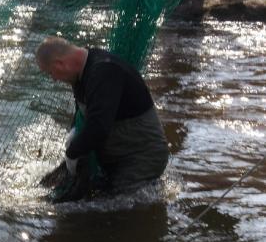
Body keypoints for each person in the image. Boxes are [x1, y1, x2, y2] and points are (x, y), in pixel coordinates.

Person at [36, 36, 169, 201]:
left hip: (140, 157)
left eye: (51, 73)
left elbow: (98, 127)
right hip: (117, 153)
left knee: (116, 210)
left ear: (60, 64)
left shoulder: (104, 71)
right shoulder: (79, 74)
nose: (54, 79)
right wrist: (69, 161)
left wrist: (72, 153)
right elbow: (82, 118)